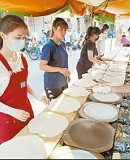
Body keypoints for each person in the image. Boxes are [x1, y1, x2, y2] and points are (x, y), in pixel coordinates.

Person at [0, 15, 49, 144]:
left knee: (29, 144)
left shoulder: (22, 58)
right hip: (7, 120)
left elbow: (23, 84)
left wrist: (39, 97)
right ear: (3, 35)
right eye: (17, 37)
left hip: (26, 111)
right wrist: (13, 112)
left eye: (23, 38)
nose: (21, 41)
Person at [39, 18, 71, 100]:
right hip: (52, 84)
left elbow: (64, 62)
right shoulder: (48, 46)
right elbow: (42, 66)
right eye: (61, 29)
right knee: (55, 110)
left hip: (63, 82)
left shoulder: (62, 43)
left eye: (65, 30)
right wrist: (59, 69)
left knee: (65, 104)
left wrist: (67, 74)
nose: (63, 32)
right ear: (54, 29)